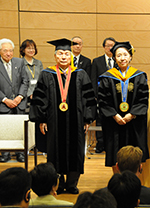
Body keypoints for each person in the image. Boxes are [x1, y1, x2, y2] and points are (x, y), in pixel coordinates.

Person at [29, 38, 97, 194]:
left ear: (71, 56)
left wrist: (87, 119)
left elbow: (89, 97)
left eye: (67, 53)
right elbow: (40, 97)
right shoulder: (47, 74)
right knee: (54, 152)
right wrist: (42, 119)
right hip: (54, 122)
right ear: (55, 56)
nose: (64, 57)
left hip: (77, 121)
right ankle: (58, 184)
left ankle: (72, 184)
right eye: (60, 54)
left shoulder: (80, 74)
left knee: (76, 151)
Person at [98, 41, 149, 173]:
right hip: (114, 123)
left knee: (135, 152)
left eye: (125, 55)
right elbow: (103, 100)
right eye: (119, 55)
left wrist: (131, 115)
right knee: (115, 152)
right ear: (114, 58)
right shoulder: (107, 77)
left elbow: (143, 99)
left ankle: (135, 183)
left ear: (130, 57)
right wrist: (114, 115)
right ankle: (117, 182)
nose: (122, 58)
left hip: (134, 123)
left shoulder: (139, 76)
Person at [0, 38, 29, 163]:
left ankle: (20, 154)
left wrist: (19, 97)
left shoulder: (19, 62)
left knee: (20, 129)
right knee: (4, 129)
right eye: (5, 50)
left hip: (19, 103)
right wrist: (5, 99)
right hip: (3, 104)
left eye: (11, 51)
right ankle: (4, 153)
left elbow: (25, 81)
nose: (8, 53)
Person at [91, 37, 116, 153]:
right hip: (100, 96)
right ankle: (100, 143)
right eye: (108, 46)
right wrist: (95, 95)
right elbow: (93, 79)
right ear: (104, 47)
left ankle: (111, 143)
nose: (110, 48)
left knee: (113, 119)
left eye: (112, 45)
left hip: (115, 97)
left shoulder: (118, 60)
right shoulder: (97, 61)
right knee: (100, 119)